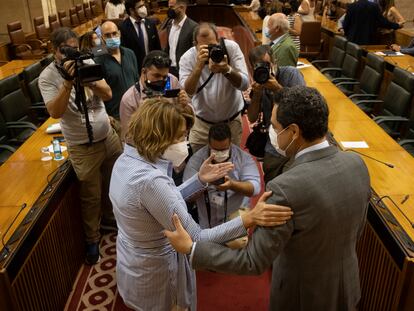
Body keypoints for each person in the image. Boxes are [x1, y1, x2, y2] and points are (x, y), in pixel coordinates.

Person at [165, 85, 371, 311]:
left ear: (293, 132)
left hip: (300, 297)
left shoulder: (285, 188)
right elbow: (356, 230)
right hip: (347, 287)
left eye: (274, 127)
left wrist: (193, 249)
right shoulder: (357, 164)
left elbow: (252, 261)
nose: (272, 133)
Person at [109, 98, 292, 311]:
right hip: (158, 276)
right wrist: (249, 219)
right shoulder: (150, 181)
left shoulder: (128, 159)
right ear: (159, 136)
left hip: (134, 260)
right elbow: (197, 238)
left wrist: (199, 179)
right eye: (180, 137)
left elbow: (162, 202)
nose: (184, 142)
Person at [38, 28, 123, 265]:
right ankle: (92, 240)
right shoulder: (47, 77)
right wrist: (67, 82)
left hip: (107, 137)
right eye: (66, 49)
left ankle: (110, 219)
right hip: (82, 146)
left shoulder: (87, 61)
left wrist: (91, 81)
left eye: (75, 48)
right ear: (55, 51)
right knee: (90, 196)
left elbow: (107, 94)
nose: (72, 53)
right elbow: (55, 112)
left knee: (114, 183)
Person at [179, 22, 250, 152]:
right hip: (202, 125)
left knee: (231, 162)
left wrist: (226, 70)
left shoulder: (231, 49)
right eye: (205, 47)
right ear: (195, 45)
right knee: (198, 163)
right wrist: (199, 66)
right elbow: (188, 92)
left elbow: (245, 84)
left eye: (213, 45)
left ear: (218, 40)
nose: (211, 50)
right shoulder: (187, 58)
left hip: (231, 123)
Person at [183, 123, 261, 231]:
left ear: (230, 143)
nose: (220, 153)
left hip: (234, 216)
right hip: (207, 221)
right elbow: (186, 196)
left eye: (224, 149)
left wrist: (232, 185)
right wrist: (203, 182)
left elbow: (255, 189)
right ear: (209, 144)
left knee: (237, 243)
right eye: (215, 149)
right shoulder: (196, 161)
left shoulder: (243, 158)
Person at [247, 45, 305, 183]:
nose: (264, 70)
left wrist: (277, 89)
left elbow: (303, 108)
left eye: (267, 65)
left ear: (275, 62)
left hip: (296, 144)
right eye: (259, 66)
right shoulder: (259, 83)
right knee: (272, 185)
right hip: (273, 146)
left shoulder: (291, 74)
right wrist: (257, 95)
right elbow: (252, 117)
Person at [119, 50, 188, 139]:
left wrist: (182, 107)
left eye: (164, 77)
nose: (161, 80)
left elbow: (186, 117)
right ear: (144, 72)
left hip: (172, 141)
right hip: (146, 148)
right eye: (156, 76)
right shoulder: (129, 99)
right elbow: (128, 137)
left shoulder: (172, 81)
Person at [95, 21, 139, 121]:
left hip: (136, 111)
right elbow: (98, 94)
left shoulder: (130, 53)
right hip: (115, 116)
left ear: (119, 33)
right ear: (102, 38)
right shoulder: (98, 61)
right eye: (107, 35)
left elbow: (137, 80)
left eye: (114, 33)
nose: (112, 37)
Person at [120, 0, 161, 73]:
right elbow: (124, 53)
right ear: (131, 10)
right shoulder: (124, 27)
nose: (144, 8)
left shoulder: (151, 23)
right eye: (140, 7)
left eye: (143, 5)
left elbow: (157, 47)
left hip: (152, 68)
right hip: (134, 69)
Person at [165, 0, 198, 78]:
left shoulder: (193, 27)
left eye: (171, 7)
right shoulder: (169, 24)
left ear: (182, 8)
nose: (169, 10)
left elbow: (195, 52)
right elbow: (168, 48)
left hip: (185, 71)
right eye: (168, 7)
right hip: (170, 70)